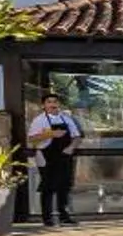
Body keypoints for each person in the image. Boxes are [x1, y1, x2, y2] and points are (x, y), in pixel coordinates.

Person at [25, 94, 85, 227]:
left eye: (55, 102)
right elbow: (31, 138)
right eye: (49, 102)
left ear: (59, 104)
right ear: (44, 105)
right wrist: (51, 134)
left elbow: (77, 136)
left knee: (64, 186)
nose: (52, 104)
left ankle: (64, 216)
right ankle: (47, 218)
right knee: (48, 186)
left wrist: (71, 147)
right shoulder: (39, 120)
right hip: (46, 156)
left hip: (65, 155)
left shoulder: (66, 118)